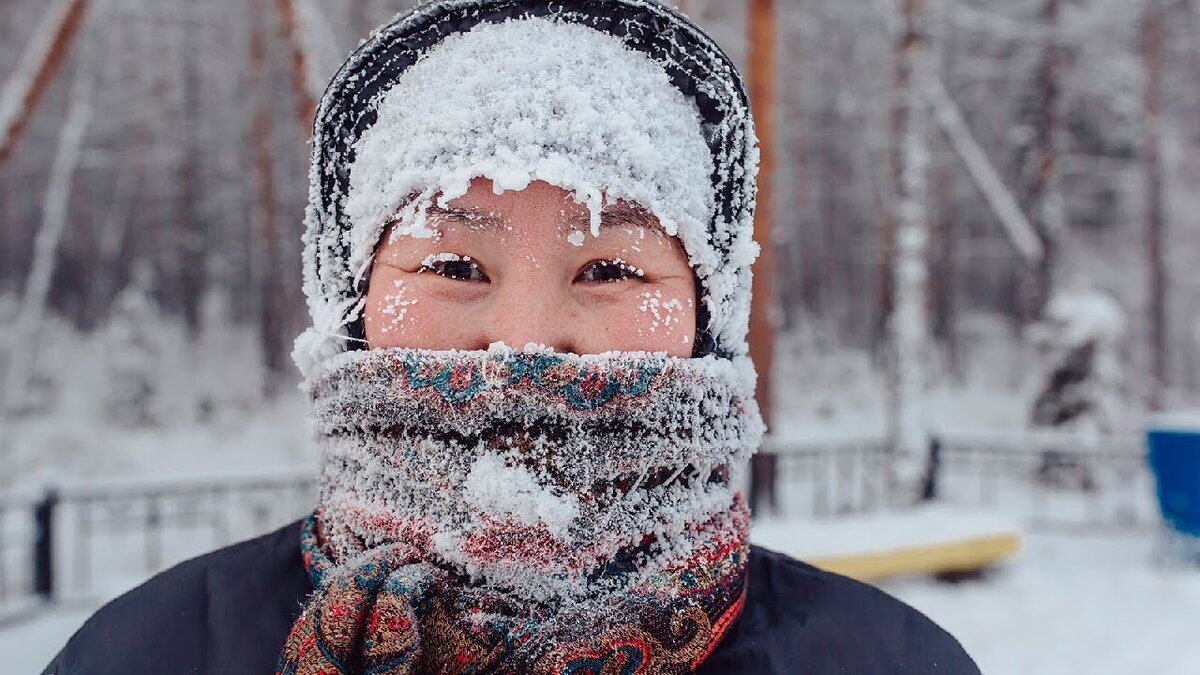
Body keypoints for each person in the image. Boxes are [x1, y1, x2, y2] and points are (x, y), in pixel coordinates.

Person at [44, 1, 979, 673]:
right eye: (453, 268)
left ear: (708, 318)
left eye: (611, 269)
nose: (526, 343)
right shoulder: (146, 651)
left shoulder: (896, 661)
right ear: (349, 303)